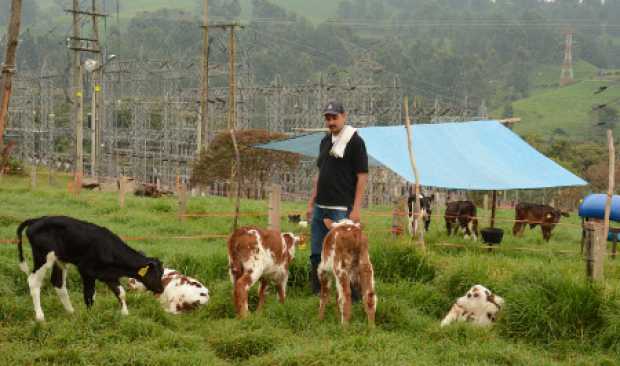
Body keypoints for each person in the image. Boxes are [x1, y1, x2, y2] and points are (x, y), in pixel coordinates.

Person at [306, 101, 369, 294]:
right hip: (320, 207)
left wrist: (357, 208)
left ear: (344, 116)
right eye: (328, 118)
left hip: (341, 208)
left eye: (334, 117)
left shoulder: (355, 142)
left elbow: (362, 176)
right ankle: (319, 291)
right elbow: (319, 174)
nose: (331, 122)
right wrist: (311, 202)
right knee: (317, 252)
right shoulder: (325, 141)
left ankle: (354, 294)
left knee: (346, 253)